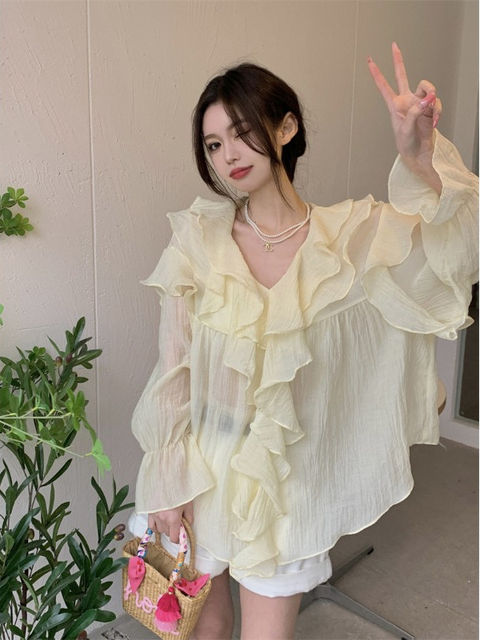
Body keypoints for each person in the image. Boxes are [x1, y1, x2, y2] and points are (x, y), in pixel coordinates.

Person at [129, 42, 478, 640]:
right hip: (199, 471)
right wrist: (166, 480)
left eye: (242, 132)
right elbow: (173, 372)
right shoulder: (196, 242)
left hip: (289, 486)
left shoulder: (350, 238)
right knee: (203, 629)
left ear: (286, 127)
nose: (228, 154)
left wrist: (420, 159)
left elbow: (454, 254)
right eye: (213, 144)